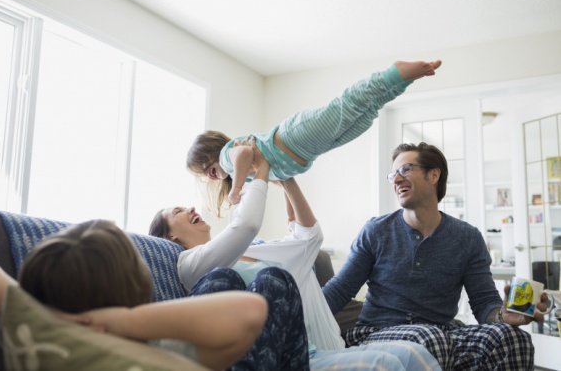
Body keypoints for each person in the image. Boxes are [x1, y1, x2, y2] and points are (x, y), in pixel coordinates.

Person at [151, 138, 442, 371]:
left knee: (414, 352)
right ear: (169, 236)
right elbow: (246, 224)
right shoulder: (189, 264)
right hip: (282, 355)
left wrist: (284, 177)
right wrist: (261, 169)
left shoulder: (255, 250)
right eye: (177, 211)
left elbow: (308, 237)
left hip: (315, 347)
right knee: (386, 364)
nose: (190, 208)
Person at [322, 142, 546, 370]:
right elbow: (339, 290)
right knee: (430, 338)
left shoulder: (467, 237)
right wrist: (292, 313)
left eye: (405, 170)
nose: (397, 180)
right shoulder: (376, 231)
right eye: (393, 175)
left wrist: (502, 316)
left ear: (434, 175)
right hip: (377, 332)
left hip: (442, 332)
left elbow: (483, 303)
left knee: (513, 339)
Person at [0, 220, 273, 371]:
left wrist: (39, 315)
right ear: (139, 283)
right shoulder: (161, 348)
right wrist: (122, 320)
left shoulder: (31, 332)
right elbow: (249, 310)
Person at [186, 60, 441, 217]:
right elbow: (283, 182)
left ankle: (393, 74)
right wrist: (290, 214)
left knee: (346, 107)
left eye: (207, 172)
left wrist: (237, 189)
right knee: (363, 118)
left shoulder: (229, 158)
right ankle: (400, 84)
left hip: (294, 137)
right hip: (309, 149)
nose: (212, 178)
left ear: (210, 159)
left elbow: (242, 155)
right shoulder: (249, 170)